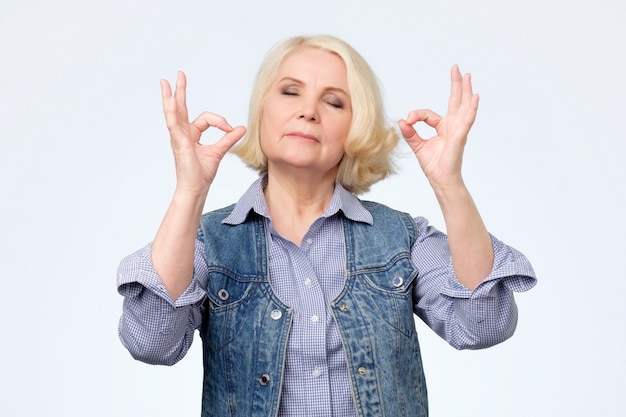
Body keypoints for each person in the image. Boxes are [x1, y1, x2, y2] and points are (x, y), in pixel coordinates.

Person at [117, 34, 536, 417]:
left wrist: (449, 184)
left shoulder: (400, 238)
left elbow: (482, 325)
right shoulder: (211, 241)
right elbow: (152, 341)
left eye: (334, 101)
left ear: (356, 129)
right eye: (289, 91)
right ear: (262, 111)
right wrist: (189, 192)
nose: (308, 111)